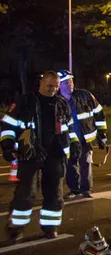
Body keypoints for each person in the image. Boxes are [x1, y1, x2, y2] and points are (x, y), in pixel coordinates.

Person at [2, 71, 78, 242]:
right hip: (29, 153)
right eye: (50, 86)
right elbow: (8, 125)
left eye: (56, 86)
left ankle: (50, 227)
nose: (53, 89)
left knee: (55, 194)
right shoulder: (25, 101)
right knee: (25, 193)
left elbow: (69, 128)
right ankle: (15, 228)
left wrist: (74, 143)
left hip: (56, 154)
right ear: (41, 84)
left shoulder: (62, 104)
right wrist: (7, 145)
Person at [57, 70, 108, 199]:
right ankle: (74, 189)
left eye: (71, 81)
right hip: (68, 141)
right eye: (66, 82)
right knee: (71, 165)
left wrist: (102, 134)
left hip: (85, 138)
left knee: (85, 163)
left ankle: (86, 189)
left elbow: (99, 113)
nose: (70, 84)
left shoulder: (85, 96)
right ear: (59, 85)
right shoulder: (56, 101)